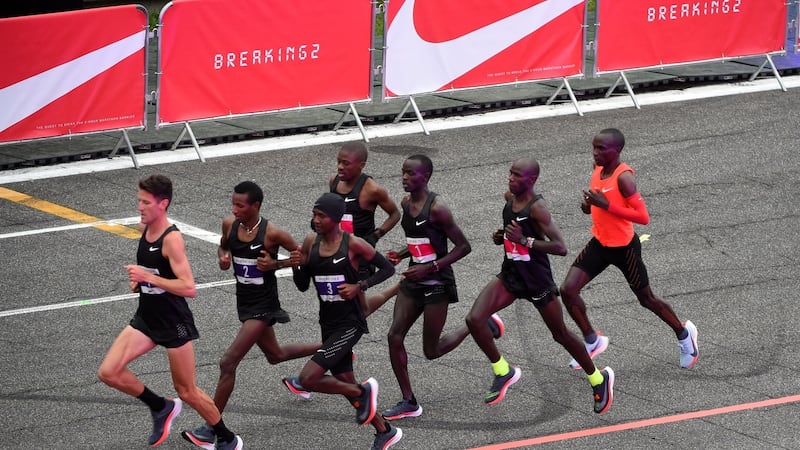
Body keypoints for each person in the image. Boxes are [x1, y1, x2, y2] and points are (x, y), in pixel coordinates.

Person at [97, 174, 242, 450]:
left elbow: (188, 287)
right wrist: (140, 283)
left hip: (174, 322)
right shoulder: (145, 228)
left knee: (186, 390)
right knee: (109, 372)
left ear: (163, 204)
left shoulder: (171, 239)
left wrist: (148, 278)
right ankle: (160, 407)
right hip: (147, 317)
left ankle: (227, 438)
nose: (139, 207)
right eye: (139, 201)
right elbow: (155, 272)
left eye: (145, 202)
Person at [464, 158, 614, 413]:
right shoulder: (510, 200)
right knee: (474, 319)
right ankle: (503, 371)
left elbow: (560, 247)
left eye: (517, 175)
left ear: (531, 180)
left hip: (537, 280)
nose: (511, 178)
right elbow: (513, 234)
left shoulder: (537, 208)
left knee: (560, 334)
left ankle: (598, 379)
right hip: (511, 275)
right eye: (510, 173)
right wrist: (503, 237)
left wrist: (524, 240)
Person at [181, 181, 321, 449]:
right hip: (244, 303)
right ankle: (333, 349)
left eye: (240, 205)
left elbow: (303, 256)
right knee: (275, 355)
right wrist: (223, 257)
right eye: (233, 204)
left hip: (264, 306)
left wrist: (275, 264)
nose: (234, 210)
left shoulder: (273, 233)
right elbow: (223, 246)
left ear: (255, 205)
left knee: (228, 362)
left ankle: (212, 428)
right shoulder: (230, 225)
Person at [559, 128, 698, 370]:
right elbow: (597, 205)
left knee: (646, 299)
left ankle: (684, 335)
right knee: (568, 290)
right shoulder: (598, 169)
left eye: (601, 148)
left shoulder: (624, 178)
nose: (595, 153)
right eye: (594, 147)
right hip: (600, 243)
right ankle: (592, 341)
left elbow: (643, 217)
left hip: (625, 249)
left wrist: (606, 205)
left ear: (617, 150)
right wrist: (589, 205)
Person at [289, 193, 402, 450]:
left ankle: (363, 392)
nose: (315, 220)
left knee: (307, 379)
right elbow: (303, 285)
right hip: (328, 323)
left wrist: (359, 286)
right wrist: (297, 266)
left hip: (350, 324)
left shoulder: (353, 245)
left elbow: (387, 269)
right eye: (314, 214)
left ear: (336, 218)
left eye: (321, 216)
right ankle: (385, 430)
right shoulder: (310, 243)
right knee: (344, 382)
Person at [383, 154, 488, 421]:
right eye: (403, 172)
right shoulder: (405, 203)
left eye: (411, 173)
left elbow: (463, 247)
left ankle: (479, 324)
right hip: (413, 280)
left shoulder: (438, 208)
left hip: (437, 282)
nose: (404, 177)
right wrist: (401, 253)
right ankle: (409, 401)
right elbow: (421, 241)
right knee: (394, 336)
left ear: (426, 177)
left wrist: (429, 268)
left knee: (432, 351)